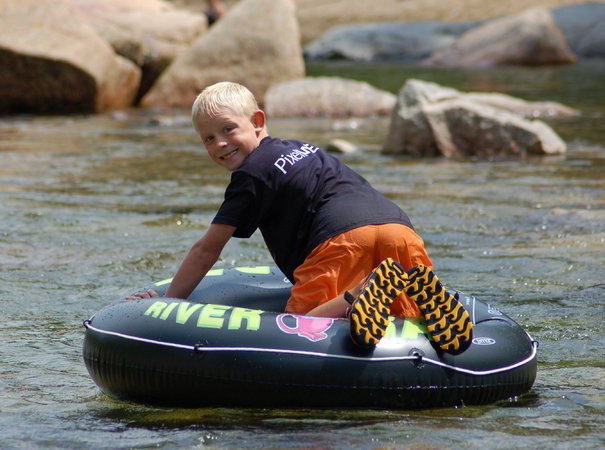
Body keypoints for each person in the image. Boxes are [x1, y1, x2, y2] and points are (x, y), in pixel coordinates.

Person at [134, 81, 472, 354]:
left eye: (228, 129)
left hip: (340, 239)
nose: (220, 143)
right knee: (401, 313)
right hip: (398, 228)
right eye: (208, 138)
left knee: (299, 329)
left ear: (257, 121)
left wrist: (169, 302)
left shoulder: (250, 175)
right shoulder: (300, 148)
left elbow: (207, 249)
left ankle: (359, 293)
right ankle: (420, 294)